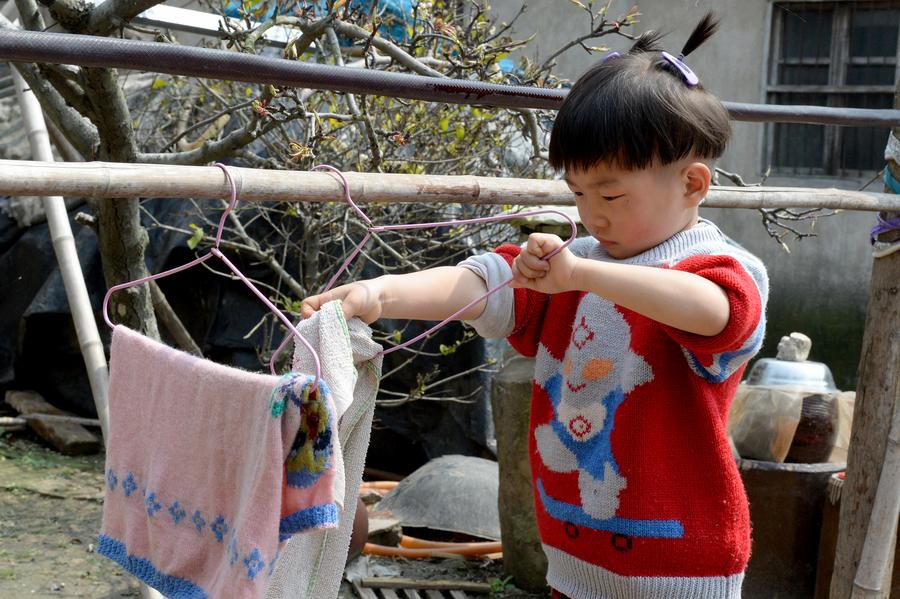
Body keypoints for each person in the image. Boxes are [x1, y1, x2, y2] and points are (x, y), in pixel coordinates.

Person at [301, 12, 767, 599]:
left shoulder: (719, 270)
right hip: (572, 557)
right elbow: (483, 284)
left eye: (612, 193)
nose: (592, 213)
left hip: (682, 565)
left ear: (693, 185)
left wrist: (581, 274)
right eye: (577, 192)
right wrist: (380, 293)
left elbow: (713, 313)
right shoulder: (577, 255)